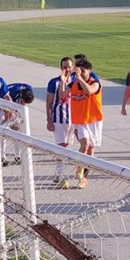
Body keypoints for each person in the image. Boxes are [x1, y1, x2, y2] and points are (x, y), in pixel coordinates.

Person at [59, 59, 103, 189]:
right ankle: (79, 173)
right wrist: (63, 81)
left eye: (83, 71)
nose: (81, 74)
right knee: (85, 144)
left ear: (89, 71)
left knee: (91, 149)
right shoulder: (73, 85)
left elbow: (89, 90)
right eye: (79, 71)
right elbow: (62, 95)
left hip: (94, 121)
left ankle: (84, 175)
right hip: (80, 121)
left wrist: (79, 78)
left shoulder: (95, 83)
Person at [47, 57, 76, 188]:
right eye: (64, 67)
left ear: (73, 67)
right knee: (61, 147)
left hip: (72, 120)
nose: (67, 69)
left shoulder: (76, 82)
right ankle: (61, 175)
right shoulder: (54, 83)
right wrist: (49, 119)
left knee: (66, 147)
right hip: (58, 119)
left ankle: (58, 174)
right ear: (61, 68)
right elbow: (49, 102)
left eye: (69, 67)